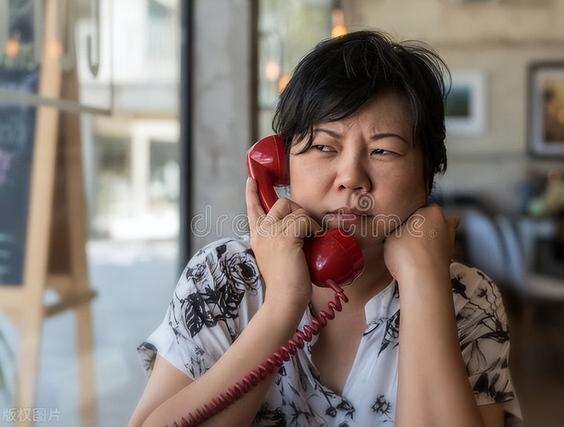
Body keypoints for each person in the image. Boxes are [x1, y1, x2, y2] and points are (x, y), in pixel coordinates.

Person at [129, 31, 522, 427]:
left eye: (383, 150)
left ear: (427, 176)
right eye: (323, 146)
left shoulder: (467, 297)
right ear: (281, 165)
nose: (351, 177)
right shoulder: (222, 276)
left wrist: (423, 281)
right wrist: (282, 304)